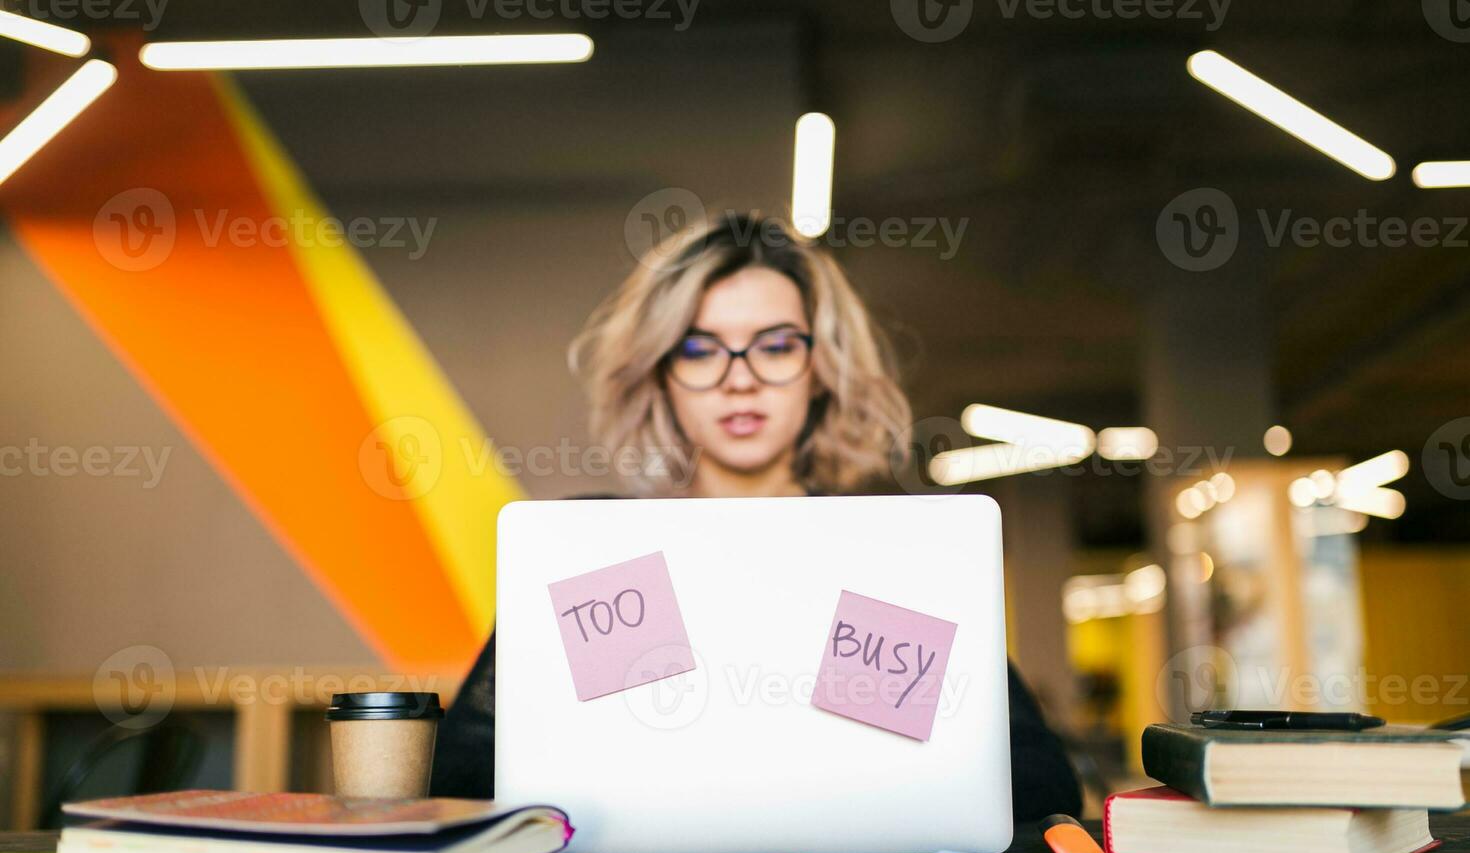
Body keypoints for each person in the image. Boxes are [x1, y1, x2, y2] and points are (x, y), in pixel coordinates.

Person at [432, 212, 1082, 821]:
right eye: (698, 349)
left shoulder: (883, 557)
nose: (738, 379)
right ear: (659, 374)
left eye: (774, 346)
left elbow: (1039, 782)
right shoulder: (608, 556)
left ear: (821, 368)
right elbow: (462, 775)